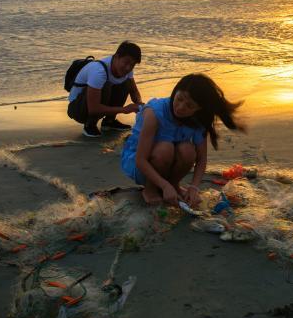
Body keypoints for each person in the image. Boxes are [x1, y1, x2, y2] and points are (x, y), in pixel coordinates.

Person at [121, 73, 244, 207]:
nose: (180, 107)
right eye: (179, 99)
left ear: (199, 109)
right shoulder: (154, 113)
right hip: (139, 165)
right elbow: (140, 160)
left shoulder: (198, 121)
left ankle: (174, 184)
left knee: (188, 150)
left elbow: (202, 159)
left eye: (189, 106)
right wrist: (164, 185)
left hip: (167, 162)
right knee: (165, 148)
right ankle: (150, 189)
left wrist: (194, 187)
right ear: (175, 91)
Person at [67, 41, 144, 137]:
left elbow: (133, 91)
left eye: (132, 65)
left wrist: (140, 106)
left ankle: (109, 121)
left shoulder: (127, 69)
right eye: (126, 62)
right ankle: (90, 125)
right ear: (116, 57)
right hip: (78, 109)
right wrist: (125, 109)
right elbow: (93, 109)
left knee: (125, 83)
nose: (128, 68)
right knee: (106, 85)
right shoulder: (98, 71)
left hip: (93, 102)